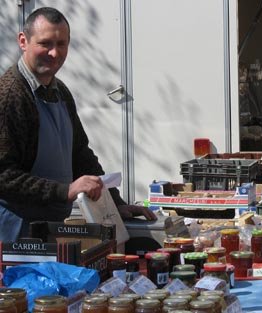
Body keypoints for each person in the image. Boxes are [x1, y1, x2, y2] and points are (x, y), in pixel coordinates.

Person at [0, 7, 157, 241]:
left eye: (61, 44)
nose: (54, 53)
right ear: (23, 41)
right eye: (45, 44)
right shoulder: (10, 96)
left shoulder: (60, 91)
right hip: (14, 232)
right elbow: (3, 176)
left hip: (49, 227)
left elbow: (80, 154)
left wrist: (115, 204)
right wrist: (67, 190)